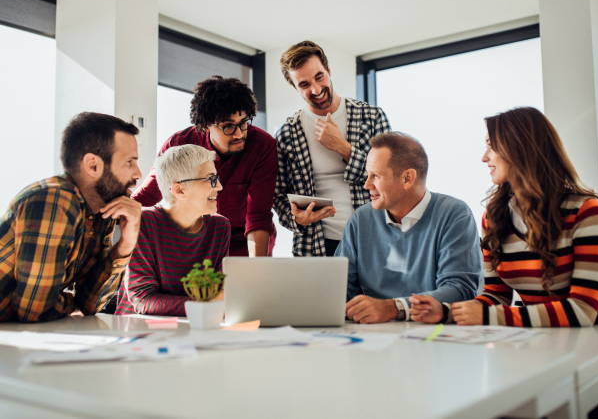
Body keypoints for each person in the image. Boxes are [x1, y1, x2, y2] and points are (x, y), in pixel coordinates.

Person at [410, 107, 598, 327]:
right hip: (540, 341)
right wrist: (446, 312)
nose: (484, 157)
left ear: (519, 147)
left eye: (491, 146)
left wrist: (493, 317)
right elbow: (497, 296)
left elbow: (584, 310)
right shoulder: (493, 218)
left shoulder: (586, 212)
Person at [0, 112, 142, 323]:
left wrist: (126, 243)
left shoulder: (100, 213)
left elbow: (91, 304)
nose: (138, 173)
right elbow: (36, 311)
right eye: (129, 161)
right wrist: (73, 302)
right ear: (93, 165)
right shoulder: (55, 200)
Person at [337, 131, 483, 324]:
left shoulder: (454, 214)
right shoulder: (361, 219)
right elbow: (339, 287)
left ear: (407, 178)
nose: (366, 184)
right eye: (367, 175)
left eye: (376, 176)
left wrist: (394, 308)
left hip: (434, 334)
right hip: (375, 333)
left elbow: (459, 290)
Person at [133, 76, 277, 257]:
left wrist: (257, 269)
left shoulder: (263, 146)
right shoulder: (178, 144)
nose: (239, 134)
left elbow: (258, 216)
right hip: (197, 240)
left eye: (243, 123)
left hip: (244, 242)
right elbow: (147, 195)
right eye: (228, 126)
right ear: (207, 125)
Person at [274, 41, 391, 257]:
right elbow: (278, 194)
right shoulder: (287, 134)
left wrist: (343, 148)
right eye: (304, 84)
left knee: (372, 294)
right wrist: (296, 219)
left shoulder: (372, 117)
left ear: (328, 70)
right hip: (314, 246)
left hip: (371, 241)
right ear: (295, 88)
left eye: (319, 77)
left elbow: (388, 177)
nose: (316, 90)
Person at [115, 145, 230, 316]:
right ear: (179, 190)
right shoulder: (143, 223)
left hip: (193, 325)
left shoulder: (219, 228)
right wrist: (206, 306)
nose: (219, 186)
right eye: (210, 179)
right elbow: (143, 299)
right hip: (139, 329)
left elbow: (219, 293)